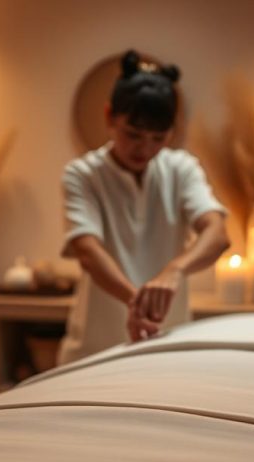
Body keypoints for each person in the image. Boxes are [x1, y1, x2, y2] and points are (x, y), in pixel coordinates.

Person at [57, 49, 230, 365]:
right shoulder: (82, 175)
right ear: (110, 117)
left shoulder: (181, 169)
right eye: (133, 134)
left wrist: (174, 271)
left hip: (167, 345)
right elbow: (88, 252)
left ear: (171, 133)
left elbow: (217, 234)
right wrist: (137, 301)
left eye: (157, 138)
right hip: (94, 351)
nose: (145, 148)